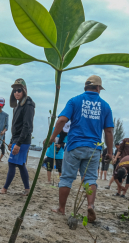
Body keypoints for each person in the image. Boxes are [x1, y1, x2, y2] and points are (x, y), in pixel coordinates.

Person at [47, 75, 114, 222]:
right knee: (90, 178)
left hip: (75, 146)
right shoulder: (105, 106)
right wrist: (109, 152)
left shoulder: (75, 101)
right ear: (98, 88)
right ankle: (90, 205)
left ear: (86, 87)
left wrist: (52, 138)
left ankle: (61, 208)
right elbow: (108, 131)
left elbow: (62, 120)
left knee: (66, 178)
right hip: (94, 149)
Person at [0, 79, 34, 195]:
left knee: (12, 163)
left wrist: (18, 144)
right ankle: (27, 189)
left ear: (24, 90)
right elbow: (15, 127)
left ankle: (4, 188)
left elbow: (27, 126)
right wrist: (11, 141)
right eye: (14, 90)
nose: (16, 93)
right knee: (20, 164)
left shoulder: (28, 105)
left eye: (19, 90)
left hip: (22, 140)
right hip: (18, 139)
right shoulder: (18, 106)